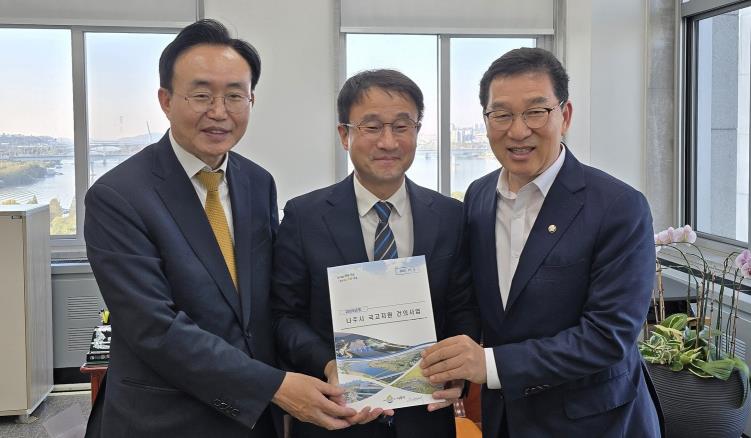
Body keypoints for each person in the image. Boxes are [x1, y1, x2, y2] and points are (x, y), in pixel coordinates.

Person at [83, 19, 357, 438]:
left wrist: (331, 361)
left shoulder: (257, 182)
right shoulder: (118, 195)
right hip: (164, 419)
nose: (219, 112)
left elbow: (266, 304)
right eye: (201, 95)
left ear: (251, 100)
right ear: (165, 100)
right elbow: (154, 328)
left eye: (234, 95)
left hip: (254, 419)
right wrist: (273, 386)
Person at [420, 48, 663, 437]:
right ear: (486, 121)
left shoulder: (618, 206)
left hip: (594, 423)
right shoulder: (478, 197)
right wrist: (448, 366)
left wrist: (489, 365)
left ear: (564, 116)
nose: (518, 131)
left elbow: (608, 336)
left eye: (536, 112)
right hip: (506, 420)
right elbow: (476, 304)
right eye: (502, 115)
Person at [271, 69, 481, 438]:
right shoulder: (304, 217)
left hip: (425, 419)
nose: (388, 141)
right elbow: (283, 316)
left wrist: (455, 372)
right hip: (336, 418)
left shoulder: (450, 216)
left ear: (417, 130)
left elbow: (462, 306)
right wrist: (329, 365)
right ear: (345, 134)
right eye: (372, 127)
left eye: (401, 126)